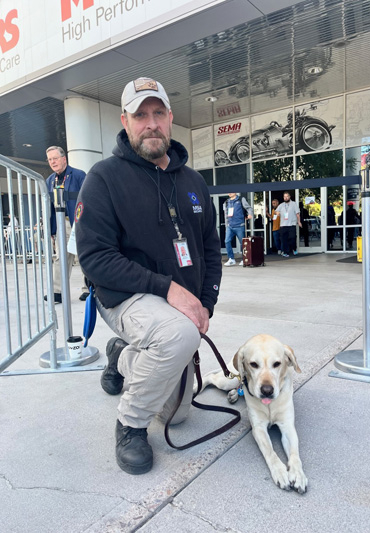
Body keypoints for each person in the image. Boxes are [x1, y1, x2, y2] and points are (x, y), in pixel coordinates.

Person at [75, 77, 222, 476]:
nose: (151, 123)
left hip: (177, 306)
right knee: (177, 336)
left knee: (177, 416)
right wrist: (167, 288)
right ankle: (130, 425)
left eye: (158, 113)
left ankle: (121, 357)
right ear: (125, 121)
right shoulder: (103, 178)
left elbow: (211, 248)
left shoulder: (193, 182)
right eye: (141, 115)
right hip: (124, 296)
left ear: (171, 119)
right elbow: (94, 258)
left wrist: (205, 302)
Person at [45, 146, 87, 303]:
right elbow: (49, 206)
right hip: (61, 223)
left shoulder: (78, 175)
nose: (52, 162)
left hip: (78, 222)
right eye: (49, 159)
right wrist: (51, 229)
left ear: (64, 159)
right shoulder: (49, 180)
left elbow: (88, 198)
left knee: (83, 256)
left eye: (55, 158)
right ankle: (58, 292)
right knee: (60, 257)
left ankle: (88, 289)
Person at [223, 192, 253, 266]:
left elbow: (249, 208)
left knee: (242, 243)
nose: (229, 193)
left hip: (239, 225)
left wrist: (250, 214)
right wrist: (226, 226)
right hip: (230, 226)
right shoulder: (226, 202)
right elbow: (226, 215)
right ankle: (231, 259)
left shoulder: (241, 199)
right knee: (227, 241)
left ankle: (244, 259)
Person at [276, 191, 302, 257]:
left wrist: (299, 222)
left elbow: (297, 214)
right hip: (283, 225)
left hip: (291, 224)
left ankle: (294, 249)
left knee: (292, 238)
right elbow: (276, 211)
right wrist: (277, 213)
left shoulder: (294, 204)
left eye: (287, 196)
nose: (286, 198)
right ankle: (285, 252)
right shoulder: (281, 205)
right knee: (284, 240)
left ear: (289, 197)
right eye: (284, 197)